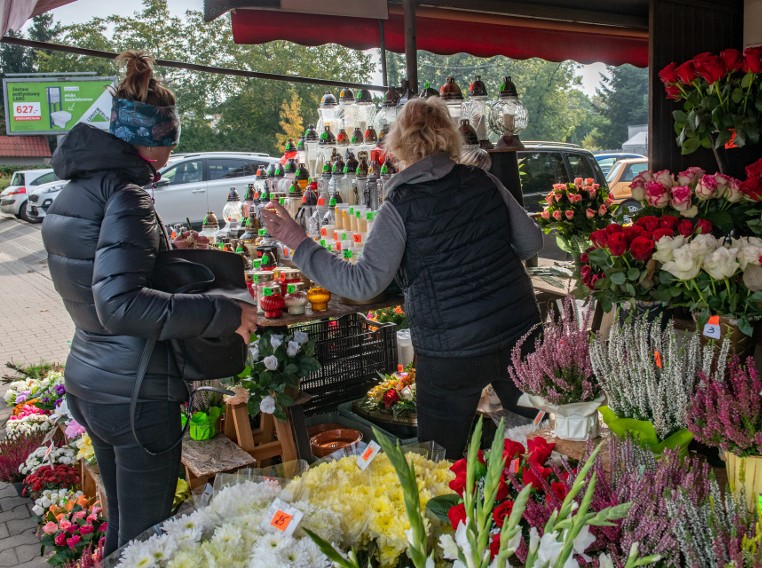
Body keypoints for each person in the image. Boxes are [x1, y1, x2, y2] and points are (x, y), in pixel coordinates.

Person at [41, 51, 257, 554]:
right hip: (135, 393)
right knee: (148, 544)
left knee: (123, 531)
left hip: (92, 380)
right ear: (157, 141)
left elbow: (91, 273)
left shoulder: (79, 188)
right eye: (172, 140)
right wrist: (224, 312)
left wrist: (161, 255)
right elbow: (120, 304)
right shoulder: (128, 195)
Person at [261, 96, 542, 458]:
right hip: (518, 330)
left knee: (441, 461)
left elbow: (362, 284)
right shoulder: (482, 180)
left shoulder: (401, 204)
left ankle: (455, 512)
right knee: (545, 432)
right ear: (451, 136)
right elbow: (530, 242)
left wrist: (298, 242)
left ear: (398, 143)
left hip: (451, 351)